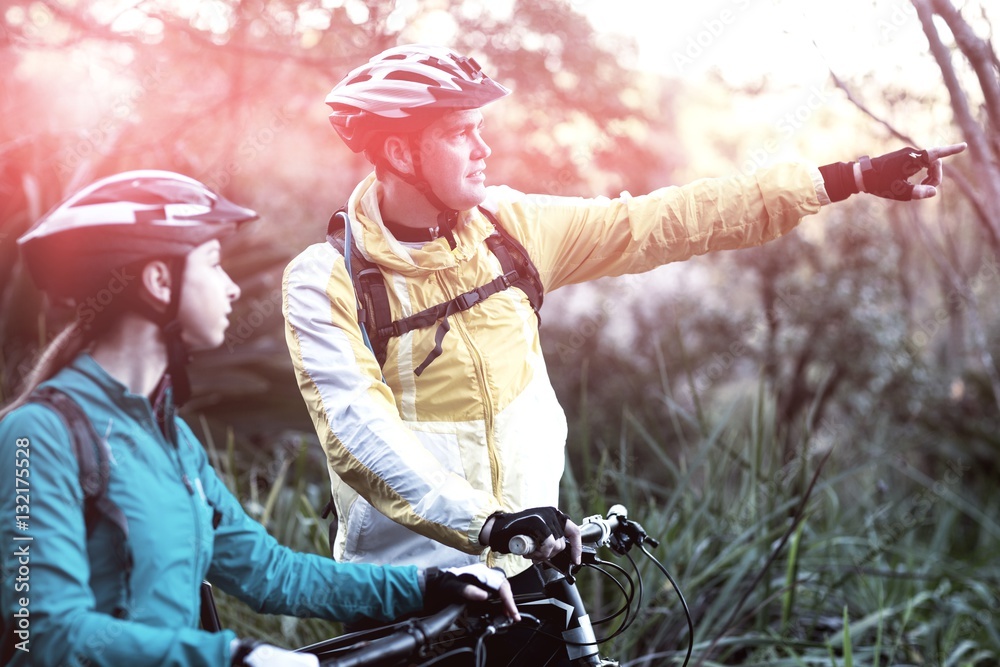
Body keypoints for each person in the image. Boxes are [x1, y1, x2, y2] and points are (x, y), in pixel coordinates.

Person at [281, 44, 966, 587]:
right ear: (400, 151)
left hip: (529, 572)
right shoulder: (326, 280)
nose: (483, 148)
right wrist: (488, 523)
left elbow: (660, 222)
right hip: (408, 591)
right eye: (461, 133)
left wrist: (846, 177)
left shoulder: (510, 231)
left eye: (480, 129)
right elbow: (358, 431)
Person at [0, 170, 518, 667]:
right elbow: (45, 631)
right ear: (159, 280)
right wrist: (230, 656)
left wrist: (430, 584)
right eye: (211, 263)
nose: (229, 288)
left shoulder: (169, 437)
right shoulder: (36, 436)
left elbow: (270, 575)